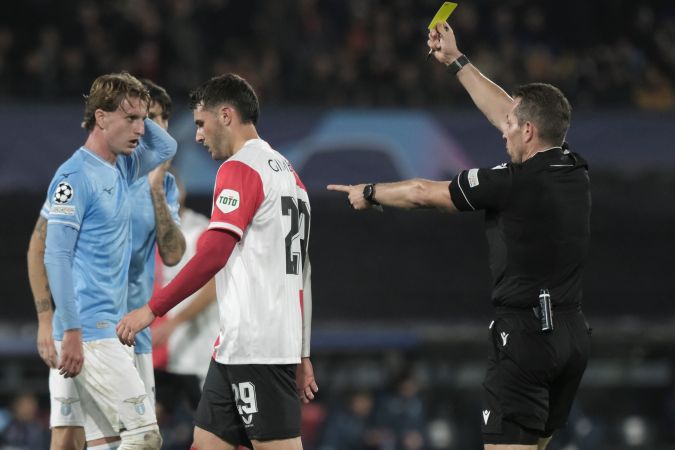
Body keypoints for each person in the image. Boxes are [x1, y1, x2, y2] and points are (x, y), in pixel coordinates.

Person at [328, 22, 591, 450]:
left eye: (511, 125)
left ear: (527, 131)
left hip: (525, 337)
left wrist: (370, 192)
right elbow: (512, 112)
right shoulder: (574, 167)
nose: (503, 129)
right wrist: (456, 61)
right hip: (571, 335)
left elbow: (421, 194)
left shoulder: (510, 181)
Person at [116, 73, 318, 450]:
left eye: (200, 123)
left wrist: (152, 309)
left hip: (258, 347)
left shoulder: (239, 168)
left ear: (226, 115)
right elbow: (302, 272)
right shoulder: (290, 176)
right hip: (236, 348)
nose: (197, 136)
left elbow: (213, 253)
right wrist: (302, 352)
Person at [27, 76, 182, 450]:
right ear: (100, 117)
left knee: (102, 443)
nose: (141, 129)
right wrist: (72, 332)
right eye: (130, 119)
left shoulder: (123, 168)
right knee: (144, 435)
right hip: (90, 333)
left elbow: (168, 145)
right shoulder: (73, 176)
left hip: (110, 330)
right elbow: (55, 254)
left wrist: (136, 98)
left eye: (143, 120)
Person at [128, 78, 186, 408]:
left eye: (163, 119)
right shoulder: (108, 170)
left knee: (143, 434)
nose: (158, 127)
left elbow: (174, 254)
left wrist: (156, 192)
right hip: (95, 325)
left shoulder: (165, 185)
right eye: (150, 117)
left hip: (138, 330)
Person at [150, 178, 220, 421]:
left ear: (182, 190)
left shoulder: (200, 231)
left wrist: (175, 322)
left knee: (210, 425)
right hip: (159, 350)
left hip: (196, 350)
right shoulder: (148, 233)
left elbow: (213, 286)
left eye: (170, 187)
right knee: (146, 424)